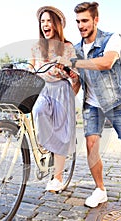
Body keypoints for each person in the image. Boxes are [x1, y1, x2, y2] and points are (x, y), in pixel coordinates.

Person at [57, 2, 121, 207]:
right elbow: (76, 80)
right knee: (91, 145)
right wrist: (66, 75)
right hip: (91, 104)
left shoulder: (112, 38)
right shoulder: (75, 49)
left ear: (96, 20)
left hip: (115, 102)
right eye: (78, 22)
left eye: (85, 21)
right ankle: (100, 190)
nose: (81, 25)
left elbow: (106, 62)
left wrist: (73, 63)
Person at [30, 6, 80, 192]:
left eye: (49, 21)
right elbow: (30, 67)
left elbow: (76, 76)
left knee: (61, 132)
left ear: (57, 24)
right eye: (43, 21)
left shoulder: (68, 47)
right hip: (43, 90)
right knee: (38, 110)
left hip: (61, 90)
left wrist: (66, 68)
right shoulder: (36, 47)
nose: (45, 24)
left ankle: (57, 178)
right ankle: (47, 149)